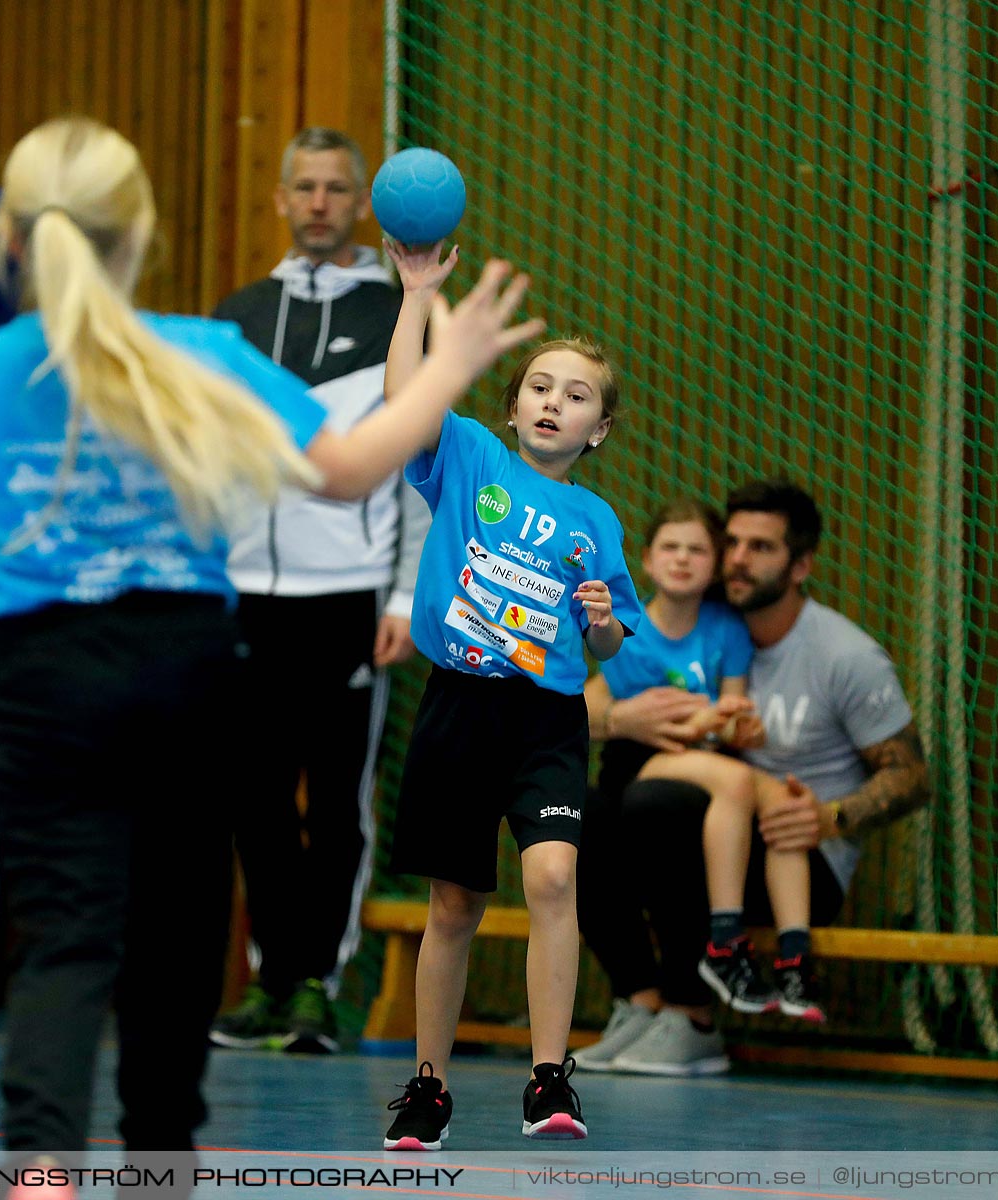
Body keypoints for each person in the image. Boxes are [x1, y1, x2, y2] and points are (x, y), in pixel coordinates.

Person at [0, 117, 542, 1195]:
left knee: (63, 934)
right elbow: (350, 469)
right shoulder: (201, 350)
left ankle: (44, 1166)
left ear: (17, 234)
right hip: (185, 668)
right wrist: (448, 355)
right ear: (140, 232)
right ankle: (158, 1165)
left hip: (46, 678)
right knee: (178, 937)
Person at [377, 240, 643, 1149]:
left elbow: (607, 642)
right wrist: (417, 297)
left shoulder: (598, 523)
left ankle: (549, 1076)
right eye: (539, 386)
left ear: (597, 429)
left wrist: (602, 617)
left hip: (545, 722)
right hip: (459, 705)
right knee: (453, 904)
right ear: (514, 402)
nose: (552, 403)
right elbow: (405, 399)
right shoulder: (470, 459)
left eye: (576, 396)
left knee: (554, 875)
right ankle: (428, 1086)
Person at [577, 481, 929, 1076]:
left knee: (658, 801)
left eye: (760, 548)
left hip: (796, 855)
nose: (738, 559)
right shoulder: (699, 626)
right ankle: (642, 1003)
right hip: (712, 827)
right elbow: (593, 701)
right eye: (732, 542)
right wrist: (618, 717)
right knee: (579, 812)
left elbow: (913, 777)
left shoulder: (844, 656)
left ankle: (693, 1018)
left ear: (800, 566)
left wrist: (832, 817)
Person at [208, 128, 430, 1055]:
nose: (319, 203)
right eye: (304, 187)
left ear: (360, 204)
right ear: (280, 198)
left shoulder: (394, 315)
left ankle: (317, 987)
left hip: (347, 599)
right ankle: (271, 979)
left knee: (334, 805)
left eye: (337, 189)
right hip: (245, 596)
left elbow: (420, 459)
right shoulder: (237, 316)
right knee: (254, 799)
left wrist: (407, 598)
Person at [583, 500, 824, 1020]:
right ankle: (724, 942)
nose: (683, 559)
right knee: (741, 783)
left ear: (714, 564)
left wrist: (740, 723)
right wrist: (701, 723)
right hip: (643, 762)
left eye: (697, 550)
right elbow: (640, 720)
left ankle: (794, 957)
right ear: (646, 560)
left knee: (777, 797)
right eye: (670, 547)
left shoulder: (726, 629)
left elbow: (730, 712)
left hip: (703, 763)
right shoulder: (627, 630)